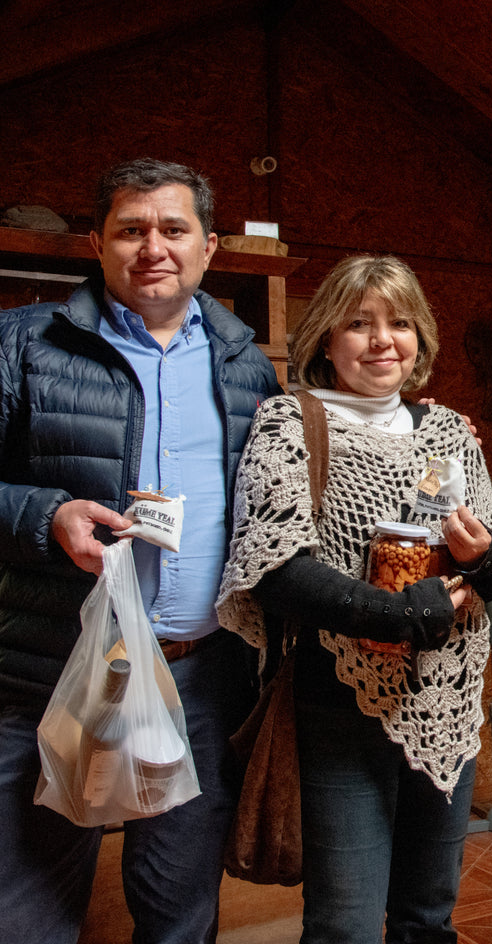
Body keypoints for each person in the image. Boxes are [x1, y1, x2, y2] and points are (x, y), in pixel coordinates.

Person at [0, 158, 281, 944]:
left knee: (179, 914)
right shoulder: (23, 345)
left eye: (173, 228)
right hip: (52, 673)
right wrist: (46, 515)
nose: (152, 246)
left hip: (198, 679)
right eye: (131, 229)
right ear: (96, 243)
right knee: (25, 915)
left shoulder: (247, 366)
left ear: (209, 246)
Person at [215, 253, 492, 944]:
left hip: (447, 700)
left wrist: (484, 558)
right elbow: (275, 568)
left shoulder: (447, 433)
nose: (383, 340)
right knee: (344, 927)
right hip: (338, 708)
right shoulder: (290, 424)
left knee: (427, 919)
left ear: (421, 339)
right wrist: (404, 615)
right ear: (327, 338)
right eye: (360, 323)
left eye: (400, 323)